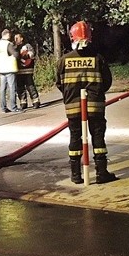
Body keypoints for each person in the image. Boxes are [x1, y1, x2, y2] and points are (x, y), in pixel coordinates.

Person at [55, 21, 116, 184]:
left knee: (75, 137)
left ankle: (75, 175)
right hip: (95, 105)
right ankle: (101, 173)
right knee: (97, 137)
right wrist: (96, 93)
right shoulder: (97, 58)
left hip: (73, 106)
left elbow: (59, 83)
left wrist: (70, 95)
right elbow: (107, 81)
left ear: (72, 38)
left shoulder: (63, 60)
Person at [0, 29, 21, 113]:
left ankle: (3, 107)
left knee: (2, 89)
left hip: (1, 69)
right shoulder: (8, 44)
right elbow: (15, 54)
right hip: (10, 68)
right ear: (8, 35)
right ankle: (13, 107)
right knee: (12, 88)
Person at [14, 32, 41, 110]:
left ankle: (35, 101)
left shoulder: (27, 46)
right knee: (20, 87)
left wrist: (23, 55)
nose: (15, 40)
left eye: (17, 38)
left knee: (30, 86)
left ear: (21, 38)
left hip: (27, 69)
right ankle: (23, 102)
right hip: (18, 70)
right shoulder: (15, 47)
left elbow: (32, 55)